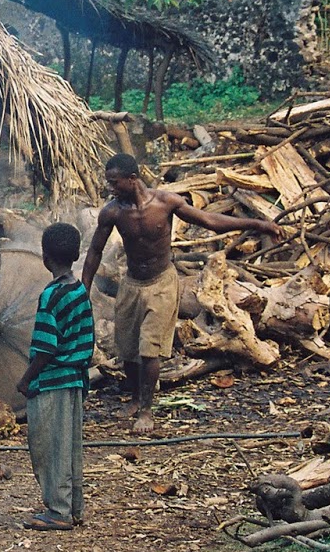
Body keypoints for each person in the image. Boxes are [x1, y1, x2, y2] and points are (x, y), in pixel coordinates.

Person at [80, 152, 285, 434]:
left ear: (132, 179)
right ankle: (135, 396)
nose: (111, 188)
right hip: (132, 284)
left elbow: (210, 221)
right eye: (109, 183)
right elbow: (94, 251)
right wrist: (83, 289)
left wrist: (258, 224)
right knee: (127, 349)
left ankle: (146, 410)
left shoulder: (166, 203)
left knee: (149, 350)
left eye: (115, 182)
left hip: (162, 283)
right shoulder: (112, 212)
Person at [15, 223, 95, 530]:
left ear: (45, 257)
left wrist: (26, 379)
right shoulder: (79, 291)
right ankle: (73, 506)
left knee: (48, 447)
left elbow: (47, 346)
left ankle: (58, 511)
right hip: (74, 379)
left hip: (52, 380)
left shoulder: (51, 295)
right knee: (69, 446)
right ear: (75, 255)